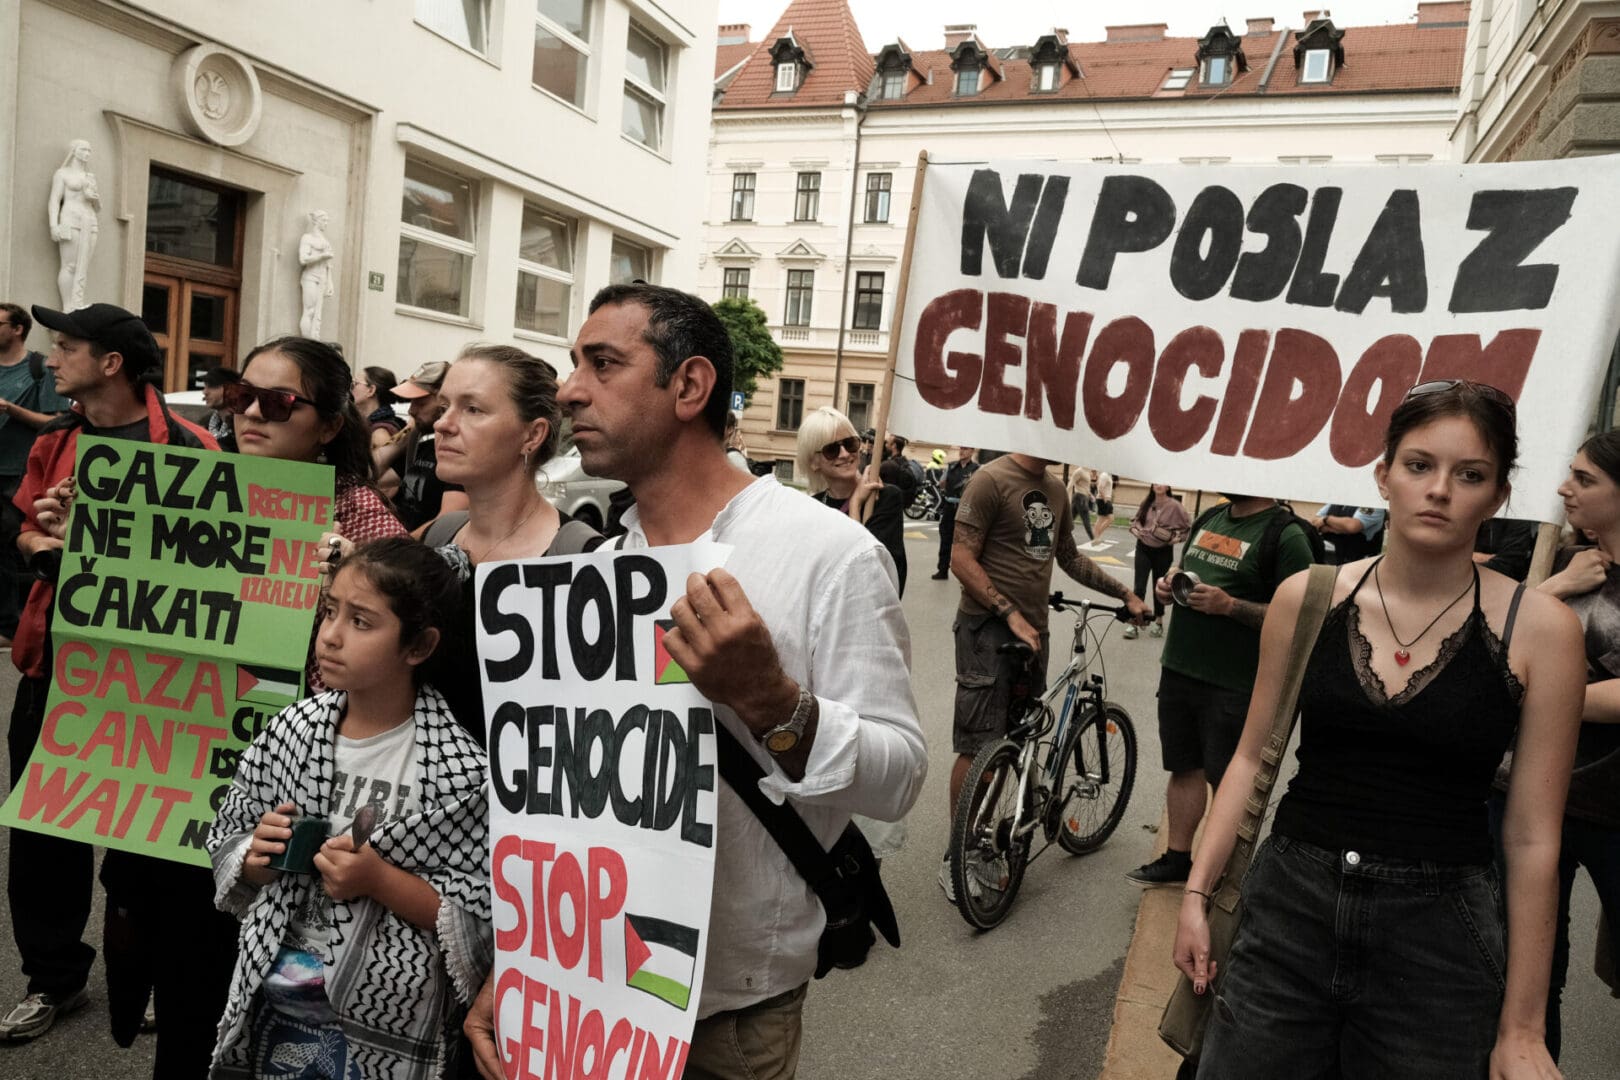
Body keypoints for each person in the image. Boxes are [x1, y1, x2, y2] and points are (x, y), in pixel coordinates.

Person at [463, 283, 926, 1080]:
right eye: (574, 365)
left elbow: (901, 778)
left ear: (689, 386)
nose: (572, 388)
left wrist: (773, 702)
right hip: (585, 996)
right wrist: (523, 963)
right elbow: (566, 807)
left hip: (725, 1018)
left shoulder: (828, 554)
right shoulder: (596, 572)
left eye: (603, 364)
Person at [1174, 379, 1582, 1079]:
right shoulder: (1308, 600)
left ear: (1498, 495)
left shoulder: (1543, 631)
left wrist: (1522, 1028)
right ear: (1383, 473)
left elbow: (1533, 835)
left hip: (1441, 938)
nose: (1440, 490)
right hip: (1288, 916)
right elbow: (1248, 760)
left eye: (1471, 474)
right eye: (1420, 465)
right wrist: (1196, 895)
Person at [2, 303, 217, 1049]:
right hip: (53, 665)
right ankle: (51, 978)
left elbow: (212, 558)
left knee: (150, 833)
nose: (52, 359)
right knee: (40, 828)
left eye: (67, 347)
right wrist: (44, 546)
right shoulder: (56, 441)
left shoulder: (191, 446)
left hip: (145, 678)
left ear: (112, 363)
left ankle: (156, 972)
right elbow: (23, 523)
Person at [207, 537, 491, 1079]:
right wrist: (254, 855)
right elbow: (230, 832)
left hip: (391, 1022)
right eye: (330, 611)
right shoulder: (289, 732)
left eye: (362, 622)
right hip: (277, 998)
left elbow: (482, 916)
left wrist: (379, 879)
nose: (331, 636)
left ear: (419, 646)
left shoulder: (461, 773)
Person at [943, 452, 1150, 900]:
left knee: (1018, 736)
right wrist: (1008, 612)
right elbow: (960, 557)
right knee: (978, 744)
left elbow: (1070, 559)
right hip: (986, 630)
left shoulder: (1056, 490)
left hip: (1033, 631)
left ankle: (1008, 821)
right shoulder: (990, 480)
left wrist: (1126, 593)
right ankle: (959, 855)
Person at [1126, 494, 1317, 887]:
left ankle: (1223, 877)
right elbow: (1187, 568)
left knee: (1228, 780)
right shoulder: (1212, 516)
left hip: (1237, 683)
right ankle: (1178, 859)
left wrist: (1230, 606)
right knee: (1184, 766)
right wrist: (1167, 586)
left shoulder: (1287, 535)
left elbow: (1301, 616)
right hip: (1180, 670)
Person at [417, 343, 599, 741]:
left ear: (532, 435)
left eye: (473, 409)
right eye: (444, 406)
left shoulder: (582, 560)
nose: (443, 424)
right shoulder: (437, 537)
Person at [1512, 430, 1620, 1058]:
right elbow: (1495, 652)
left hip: (1612, 808)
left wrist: (1545, 694)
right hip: (1527, 796)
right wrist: (1556, 586)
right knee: (1530, 973)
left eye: (1585, 479)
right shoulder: (1561, 563)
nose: (1563, 487)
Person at [231, 336, 407, 693]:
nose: (251, 412)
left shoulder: (361, 517)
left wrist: (357, 582)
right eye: (242, 396)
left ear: (329, 427)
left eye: (278, 402)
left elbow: (403, 641)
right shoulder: (198, 493)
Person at [0, 303, 70, 644]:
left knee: (9, 544)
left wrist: (11, 409)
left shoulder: (38, 368)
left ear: (17, 329)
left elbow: (56, 422)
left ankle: (10, 626)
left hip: (18, 473)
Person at [797, 405, 907, 595]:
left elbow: (874, 574)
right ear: (813, 462)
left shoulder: (885, 497)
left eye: (850, 443)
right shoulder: (813, 507)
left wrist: (855, 506)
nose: (845, 454)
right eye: (831, 449)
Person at [376, 360, 467, 529]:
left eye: (420, 402)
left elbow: (446, 521)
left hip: (416, 550)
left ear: (445, 402)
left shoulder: (458, 453)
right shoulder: (422, 448)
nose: (411, 410)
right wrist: (408, 435)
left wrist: (397, 548)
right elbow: (372, 474)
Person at [1123, 484, 1190, 640]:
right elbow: (1135, 521)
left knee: (1159, 586)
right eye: (1156, 482)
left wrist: (1177, 539)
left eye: (1163, 482)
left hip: (1163, 552)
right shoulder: (1147, 502)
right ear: (1152, 485)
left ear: (1168, 487)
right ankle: (1134, 623)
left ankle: (1158, 621)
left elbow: (1188, 528)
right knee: (1139, 586)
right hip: (1143, 549)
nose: (1159, 485)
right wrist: (1136, 531)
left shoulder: (1175, 506)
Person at [47, 140, 100, 311]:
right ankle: (68, 306)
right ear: (74, 151)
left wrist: (93, 197)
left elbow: (98, 206)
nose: (87, 153)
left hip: (89, 221)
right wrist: (53, 225)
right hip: (70, 220)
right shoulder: (62, 174)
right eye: (84, 149)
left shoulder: (90, 177)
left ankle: (78, 302)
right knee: (70, 265)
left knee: (83, 266)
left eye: (89, 150)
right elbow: (54, 200)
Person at [933, 445, 979, 580]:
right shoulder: (951, 466)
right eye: (961, 448)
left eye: (965, 449)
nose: (961, 451)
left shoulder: (976, 469)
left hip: (964, 507)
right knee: (945, 538)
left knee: (965, 542)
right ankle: (942, 569)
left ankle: (966, 574)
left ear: (972, 451)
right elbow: (942, 483)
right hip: (949, 506)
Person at [297, 210, 336, 339]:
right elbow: (303, 259)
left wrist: (330, 282)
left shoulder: (325, 241)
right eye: (324, 220)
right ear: (316, 221)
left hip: (322, 278)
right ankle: (307, 342)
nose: (326, 223)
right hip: (310, 276)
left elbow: (328, 265)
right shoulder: (307, 238)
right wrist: (322, 255)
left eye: (327, 221)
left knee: (318, 316)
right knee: (310, 311)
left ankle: (314, 341)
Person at [1312, 503, 1386, 564]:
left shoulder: (1373, 506)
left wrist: (1326, 519)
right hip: (1329, 561)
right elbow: (1314, 523)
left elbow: (1352, 526)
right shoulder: (1337, 501)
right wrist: (1339, 528)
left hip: (1358, 565)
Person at [352, 365, 403, 447]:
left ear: (371, 390)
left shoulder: (380, 433)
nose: (351, 389)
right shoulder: (363, 423)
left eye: (355, 384)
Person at [200, 365, 241, 452]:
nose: (205, 392)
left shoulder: (241, 426)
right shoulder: (205, 423)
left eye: (211, 386)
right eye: (205, 386)